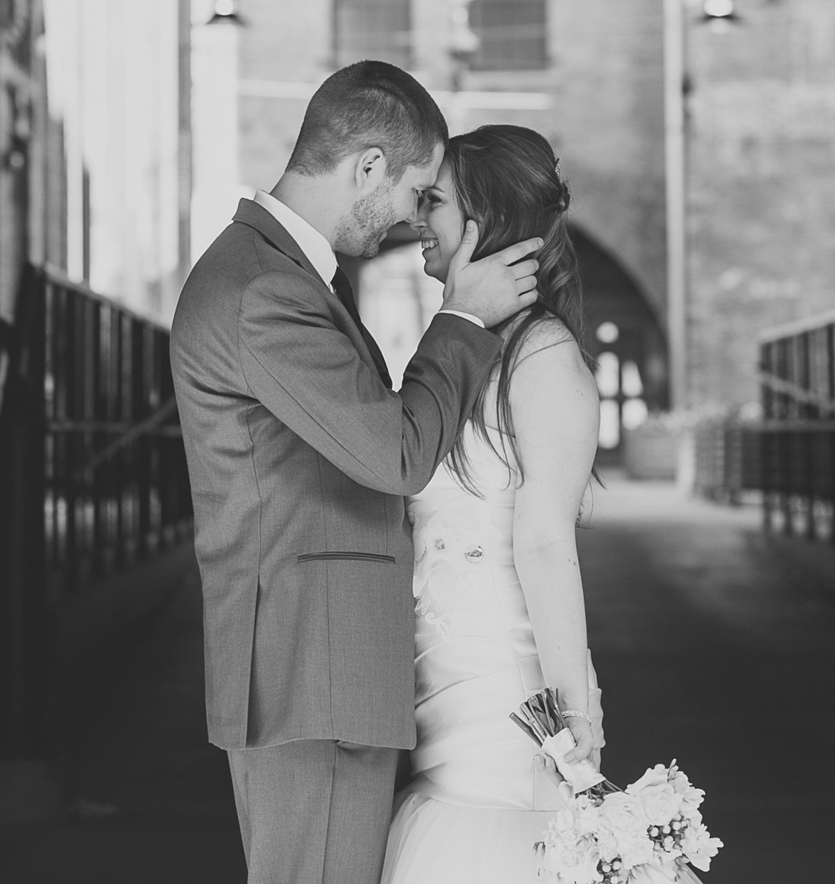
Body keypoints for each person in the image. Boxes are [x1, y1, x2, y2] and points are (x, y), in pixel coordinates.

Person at [169, 64, 544, 885]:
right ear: (368, 165)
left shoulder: (291, 275)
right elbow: (394, 454)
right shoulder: (264, 287)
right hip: (313, 668)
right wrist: (464, 318)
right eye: (415, 192)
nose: (413, 221)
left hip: (324, 665)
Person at [383, 127, 601, 887]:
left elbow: (544, 546)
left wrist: (575, 727)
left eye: (434, 201)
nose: (417, 217)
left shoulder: (544, 358)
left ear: (485, 216)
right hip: (441, 680)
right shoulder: (465, 347)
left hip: (509, 701)